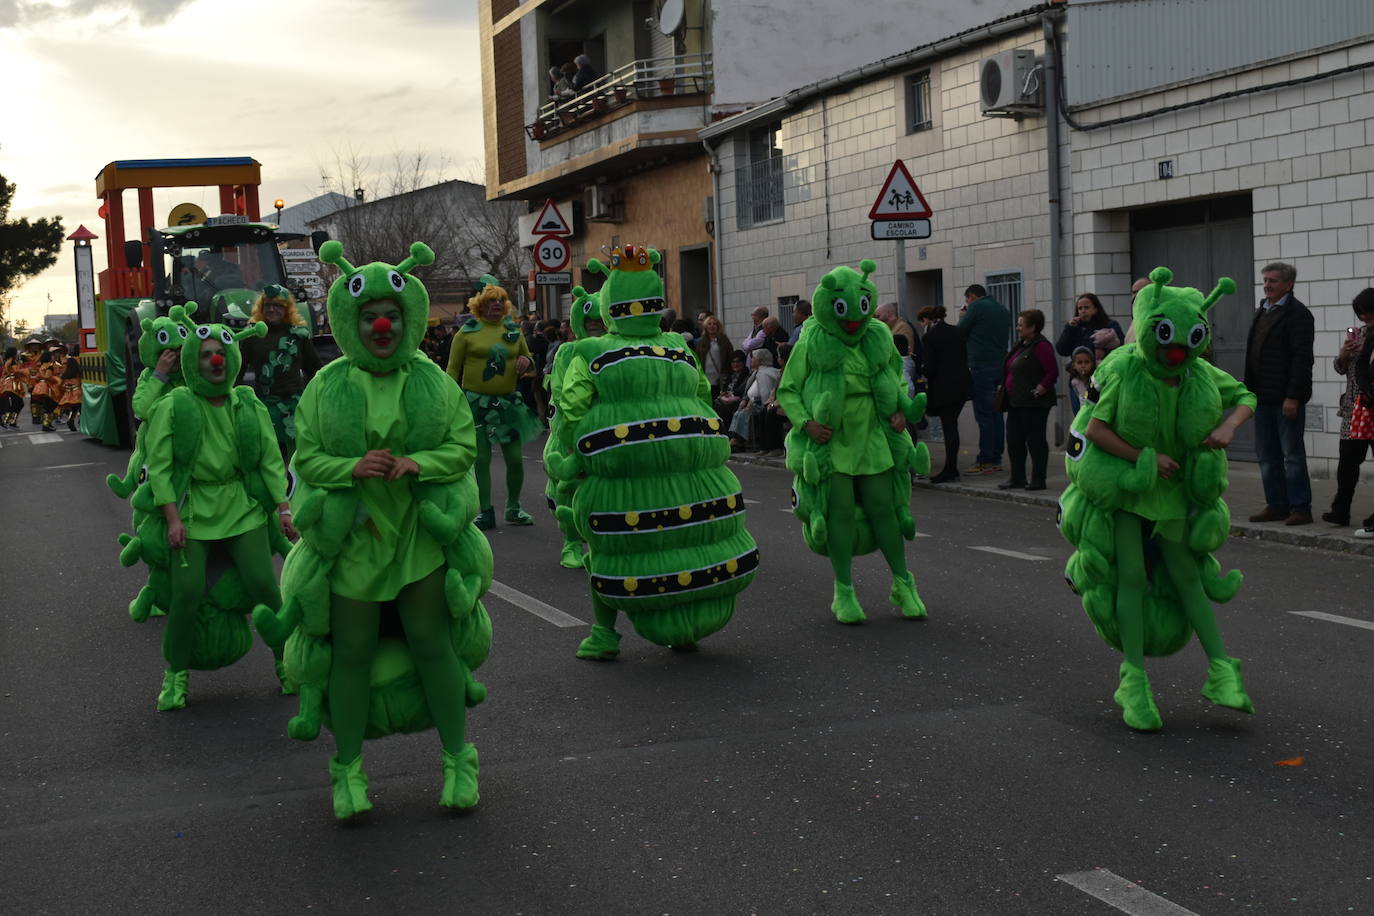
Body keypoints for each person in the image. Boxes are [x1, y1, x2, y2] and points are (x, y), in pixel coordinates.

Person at [254, 239, 492, 819]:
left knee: (434, 646)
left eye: (390, 315)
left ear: (408, 318)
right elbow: (305, 459)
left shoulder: (433, 379)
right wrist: (351, 468)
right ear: (349, 320)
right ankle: (348, 773)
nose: (380, 324)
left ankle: (460, 760)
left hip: (418, 537)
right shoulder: (327, 383)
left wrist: (419, 464)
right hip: (355, 542)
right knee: (352, 654)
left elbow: (461, 446)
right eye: (367, 315)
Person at [1060, 267, 1255, 731]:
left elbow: (1247, 395)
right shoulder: (1120, 367)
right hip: (1130, 486)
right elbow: (1094, 428)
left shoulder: (1198, 372)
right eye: (1167, 335)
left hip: (1171, 495)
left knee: (1186, 575)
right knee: (1130, 576)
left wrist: (1228, 427)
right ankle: (1135, 681)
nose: (1177, 350)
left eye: (1190, 338)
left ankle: (1222, 671)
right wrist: (1144, 457)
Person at [553, 245, 757, 660]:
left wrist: (571, 459)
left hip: (621, 474)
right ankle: (685, 626)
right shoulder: (679, 348)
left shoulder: (590, 352)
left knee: (612, 549)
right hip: (690, 473)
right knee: (686, 539)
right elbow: (701, 393)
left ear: (611, 304)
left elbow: (571, 410)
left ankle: (605, 635)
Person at [143, 306, 293, 712]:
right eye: (206, 353)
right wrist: (172, 517)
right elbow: (158, 464)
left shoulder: (247, 404)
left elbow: (269, 458)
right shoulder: (175, 405)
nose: (215, 360)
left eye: (221, 354)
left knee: (265, 585)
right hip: (193, 510)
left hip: (241, 507)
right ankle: (175, 675)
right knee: (186, 594)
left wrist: (282, 507)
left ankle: (287, 663)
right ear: (193, 360)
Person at [777, 259, 929, 624]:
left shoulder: (878, 335)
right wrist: (807, 423)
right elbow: (788, 389)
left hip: (873, 433)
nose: (853, 319)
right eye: (843, 309)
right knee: (839, 512)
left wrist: (898, 411)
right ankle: (843, 591)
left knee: (885, 509)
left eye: (862, 307)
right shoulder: (812, 338)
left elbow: (897, 376)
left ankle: (903, 583)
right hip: (833, 438)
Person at [446, 283, 541, 529]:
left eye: (501, 300)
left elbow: (529, 362)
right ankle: (486, 511)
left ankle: (513, 508)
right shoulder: (466, 332)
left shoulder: (513, 331)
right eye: (491, 301)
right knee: (481, 459)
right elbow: (453, 370)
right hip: (475, 404)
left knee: (515, 460)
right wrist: (449, 400)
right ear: (480, 306)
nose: (497, 305)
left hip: (507, 404)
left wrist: (526, 362)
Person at [1243, 261, 1315, 526]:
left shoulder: (1298, 314)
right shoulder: (1262, 311)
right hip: (1262, 396)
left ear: (1288, 284)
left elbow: (1302, 359)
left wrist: (1294, 396)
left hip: (1286, 399)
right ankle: (1276, 504)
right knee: (1267, 455)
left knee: (1292, 455)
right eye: (1265, 281)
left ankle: (1300, 508)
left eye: (1272, 281)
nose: (1267, 286)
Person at [237, 284, 322, 465]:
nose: (272, 309)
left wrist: (319, 399)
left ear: (287, 309)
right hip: (264, 408)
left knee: (298, 459)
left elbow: (314, 369)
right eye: (268, 305)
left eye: (278, 306)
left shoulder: (298, 336)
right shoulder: (251, 335)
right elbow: (238, 371)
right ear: (262, 308)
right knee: (269, 459)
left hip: (294, 407)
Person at [1325, 288, 1374, 534]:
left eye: (1368, 312)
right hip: (1354, 409)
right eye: (1361, 314)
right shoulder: (1361, 335)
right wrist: (1344, 355)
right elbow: (1339, 368)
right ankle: (1340, 509)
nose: (1364, 318)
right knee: (1347, 463)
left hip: (1372, 407)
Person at [998, 309, 1058, 491]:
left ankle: (1038, 479)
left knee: (1035, 441)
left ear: (1033, 327)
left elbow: (1052, 372)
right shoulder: (1022, 345)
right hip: (1015, 401)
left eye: (1021, 325)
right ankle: (1017, 477)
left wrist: (1040, 389)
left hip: (1034, 403)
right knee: (1014, 440)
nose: (1017, 328)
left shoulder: (1041, 346)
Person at [957, 284, 1011, 475]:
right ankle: (996, 458)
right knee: (996, 412)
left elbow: (960, 332)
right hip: (1001, 365)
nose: (967, 303)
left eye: (967, 300)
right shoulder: (1003, 309)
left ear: (972, 296)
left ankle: (985, 459)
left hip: (981, 365)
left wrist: (963, 316)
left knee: (984, 414)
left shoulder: (976, 307)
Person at [916, 306, 970, 483]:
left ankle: (950, 468)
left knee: (949, 429)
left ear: (926, 320)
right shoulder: (957, 332)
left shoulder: (930, 337)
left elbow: (930, 368)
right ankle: (951, 466)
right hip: (962, 386)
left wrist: (922, 370)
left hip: (944, 389)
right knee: (951, 426)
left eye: (922, 322)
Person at [728, 349, 779, 451]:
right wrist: (746, 401)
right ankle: (735, 440)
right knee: (738, 413)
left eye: (753, 358)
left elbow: (765, 394)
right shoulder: (756, 373)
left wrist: (751, 403)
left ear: (760, 360)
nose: (751, 360)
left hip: (761, 404)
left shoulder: (765, 374)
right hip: (753, 402)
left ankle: (737, 441)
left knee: (742, 414)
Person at [1055, 293, 1124, 359]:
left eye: (1086, 307)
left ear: (1095, 309)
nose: (1083, 311)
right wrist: (1069, 329)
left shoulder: (1110, 325)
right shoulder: (1075, 328)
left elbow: (1122, 346)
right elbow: (1062, 351)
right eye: (1080, 308)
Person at [694, 314, 734, 397]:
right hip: (705, 376)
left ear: (718, 326)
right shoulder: (701, 342)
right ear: (705, 326)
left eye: (714, 324)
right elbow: (696, 359)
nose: (712, 326)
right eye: (709, 324)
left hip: (720, 376)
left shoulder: (724, 340)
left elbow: (730, 357)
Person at [712, 350, 750, 426]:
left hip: (738, 402)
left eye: (738, 362)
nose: (735, 364)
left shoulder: (747, 375)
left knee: (720, 407)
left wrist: (730, 394)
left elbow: (741, 391)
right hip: (726, 400)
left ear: (743, 362)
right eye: (733, 362)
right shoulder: (730, 375)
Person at [0, 346, 27, 429]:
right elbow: (16, 372)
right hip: (12, 385)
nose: (18, 354)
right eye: (16, 352)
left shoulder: (9, 361)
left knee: (18, 403)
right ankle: (7, 421)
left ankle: (11, 422)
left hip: (12, 384)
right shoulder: (12, 362)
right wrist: (26, 371)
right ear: (13, 353)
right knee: (19, 403)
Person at [56, 344, 82, 431]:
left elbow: (60, 382)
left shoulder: (68, 364)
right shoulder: (80, 362)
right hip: (78, 390)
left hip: (69, 391)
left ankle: (71, 419)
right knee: (81, 406)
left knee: (74, 408)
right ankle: (81, 421)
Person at [1066, 346, 1096, 415]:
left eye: (1087, 362)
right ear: (1074, 365)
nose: (1083, 365)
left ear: (1092, 363)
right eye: (1079, 363)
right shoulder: (1075, 382)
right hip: (1083, 413)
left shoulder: (1096, 378)